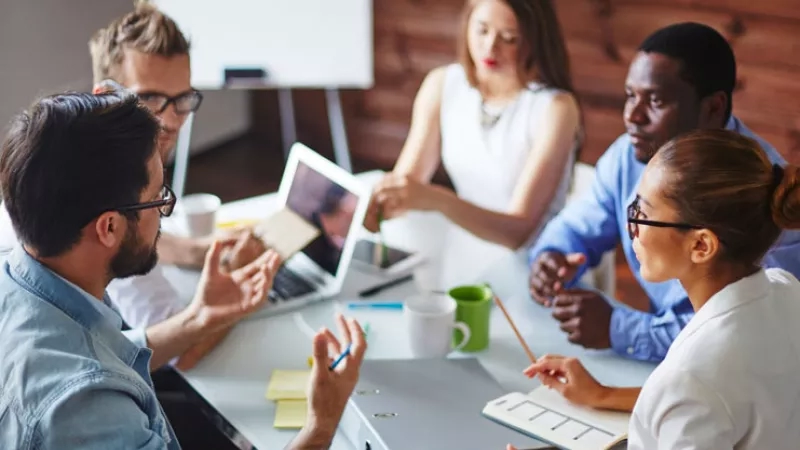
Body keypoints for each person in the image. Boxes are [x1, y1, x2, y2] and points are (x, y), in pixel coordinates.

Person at [0, 91, 365, 450]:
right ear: (108, 227)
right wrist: (321, 426)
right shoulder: (90, 408)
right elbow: (90, 376)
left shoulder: (19, 280)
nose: (162, 214)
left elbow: (101, 352)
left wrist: (201, 318)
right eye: (158, 199)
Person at [0, 2, 264, 370]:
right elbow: (178, 352)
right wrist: (239, 293)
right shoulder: (106, 195)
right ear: (104, 95)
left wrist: (197, 252)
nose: (170, 121)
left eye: (182, 100)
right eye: (150, 99)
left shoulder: (65, 160)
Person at [527, 22, 800, 362]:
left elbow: (745, 335)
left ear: (713, 108)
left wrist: (620, 328)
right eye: (630, 95)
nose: (632, 116)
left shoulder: (758, 190)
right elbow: (579, 223)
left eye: (655, 100)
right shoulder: (629, 154)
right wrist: (551, 256)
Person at [514, 129, 800, 449]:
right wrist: (602, 395)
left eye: (643, 214)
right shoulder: (787, 291)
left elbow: (695, 396)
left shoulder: (693, 377)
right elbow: (715, 406)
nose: (630, 226)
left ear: (701, 245)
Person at [366, 0, 581, 250]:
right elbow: (406, 185)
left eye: (510, 38)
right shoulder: (443, 84)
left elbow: (518, 233)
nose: (490, 47)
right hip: (467, 246)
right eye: (482, 30)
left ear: (535, 41)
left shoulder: (556, 109)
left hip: (539, 260)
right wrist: (373, 208)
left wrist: (437, 200)